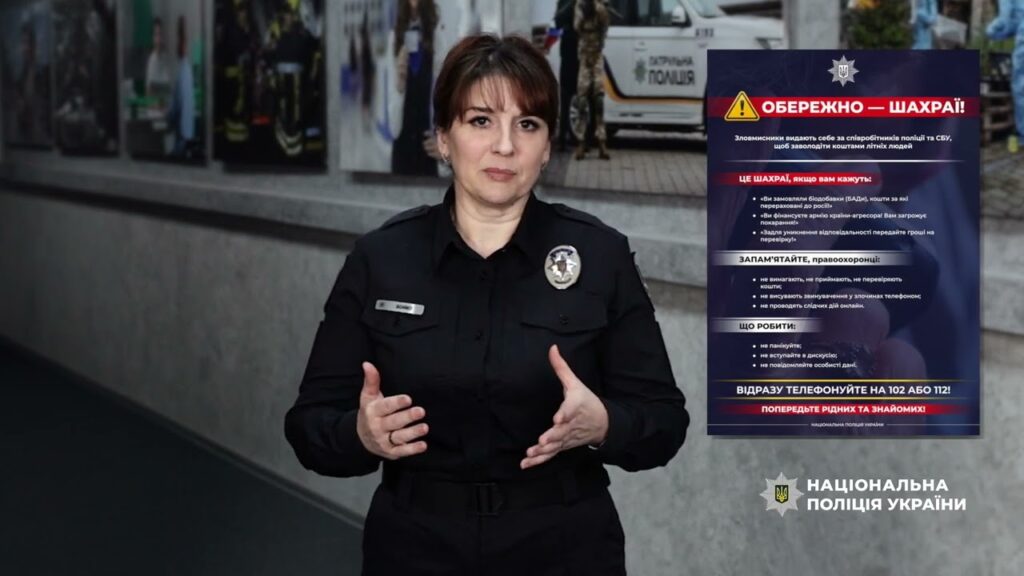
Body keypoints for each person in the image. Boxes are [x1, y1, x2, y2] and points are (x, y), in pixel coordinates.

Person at [284, 34, 688, 575]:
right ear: (443, 138)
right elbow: (308, 424)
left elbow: (665, 421)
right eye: (480, 121)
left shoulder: (600, 255)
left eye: (527, 124)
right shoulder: (381, 258)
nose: (505, 146)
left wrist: (605, 424)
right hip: (415, 547)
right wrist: (359, 435)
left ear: (547, 147)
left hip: (563, 549)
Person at [573, 0, 610, 160]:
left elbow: (605, 24)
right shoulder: (580, 5)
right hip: (584, 58)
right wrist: (585, 11)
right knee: (582, 101)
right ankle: (581, 142)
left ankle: (601, 141)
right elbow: (577, 26)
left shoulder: (599, 5)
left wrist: (597, 8)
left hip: (596, 57)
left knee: (599, 100)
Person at [167, 16, 195, 158]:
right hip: (188, 136)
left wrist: (168, 117)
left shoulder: (182, 71)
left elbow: (174, 110)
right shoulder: (187, 69)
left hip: (181, 139)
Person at [145, 17, 172, 106]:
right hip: (156, 110)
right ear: (152, 38)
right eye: (156, 35)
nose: (159, 38)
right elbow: (149, 93)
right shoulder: (152, 60)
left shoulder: (166, 58)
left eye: (160, 34)